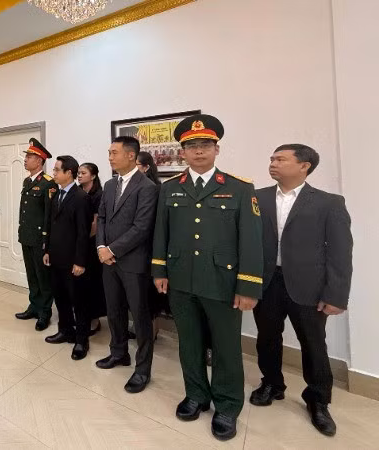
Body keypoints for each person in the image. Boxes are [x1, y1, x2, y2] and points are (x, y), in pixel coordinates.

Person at [151, 114, 263, 441]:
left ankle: (227, 406)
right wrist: (159, 270)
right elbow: (162, 233)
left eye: (205, 145)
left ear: (217, 149)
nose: (198, 151)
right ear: (182, 152)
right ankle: (196, 395)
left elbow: (251, 242)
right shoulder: (170, 188)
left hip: (222, 284)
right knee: (190, 343)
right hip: (181, 281)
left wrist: (247, 286)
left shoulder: (240, 189)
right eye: (191, 146)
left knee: (227, 348)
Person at [250, 144, 352, 437]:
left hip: (308, 286)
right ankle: (271, 383)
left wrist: (336, 295)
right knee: (267, 337)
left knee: (313, 343)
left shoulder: (328, 203)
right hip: (267, 281)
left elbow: (341, 253)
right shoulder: (258, 198)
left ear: (304, 165)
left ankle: (318, 399)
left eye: (281, 159)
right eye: (271, 158)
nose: (273, 163)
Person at [95, 136, 158, 394]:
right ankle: (118, 352)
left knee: (140, 317)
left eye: (114, 152)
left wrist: (111, 249)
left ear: (131, 155)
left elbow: (142, 227)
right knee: (114, 310)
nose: (110, 157)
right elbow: (101, 218)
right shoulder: (110, 185)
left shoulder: (147, 187)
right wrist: (101, 247)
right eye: (109, 152)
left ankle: (142, 369)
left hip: (133, 262)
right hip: (107, 261)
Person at [43, 155, 92, 360]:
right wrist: (47, 251)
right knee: (60, 297)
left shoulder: (81, 198)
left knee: (78, 301)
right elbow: (51, 224)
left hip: (73, 260)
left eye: (56, 170)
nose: (53, 173)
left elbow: (83, 233)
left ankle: (81, 340)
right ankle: (65, 330)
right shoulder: (56, 194)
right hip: (56, 257)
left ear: (68, 173)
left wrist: (80, 261)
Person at [15, 138, 58, 331]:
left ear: (39, 161)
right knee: (32, 274)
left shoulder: (48, 184)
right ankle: (34, 305)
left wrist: (46, 241)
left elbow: (49, 216)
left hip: (40, 238)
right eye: (26, 156)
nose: (26, 160)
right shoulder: (27, 181)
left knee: (43, 276)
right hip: (26, 236)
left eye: (30, 156)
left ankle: (45, 312)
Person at [137, 152, 171, 339]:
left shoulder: (157, 189)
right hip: (136, 249)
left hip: (151, 247)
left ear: (146, 167)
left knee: (151, 295)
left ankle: (151, 331)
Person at [77, 162, 105, 334]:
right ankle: (82, 315)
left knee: (93, 282)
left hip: (92, 244)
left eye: (83, 173)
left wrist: (83, 240)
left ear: (93, 176)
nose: (79, 176)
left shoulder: (98, 194)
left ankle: (94, 320)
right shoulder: (79, 192)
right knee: (81, 283)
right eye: (78, 173)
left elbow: (95, 223)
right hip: (80, 243)